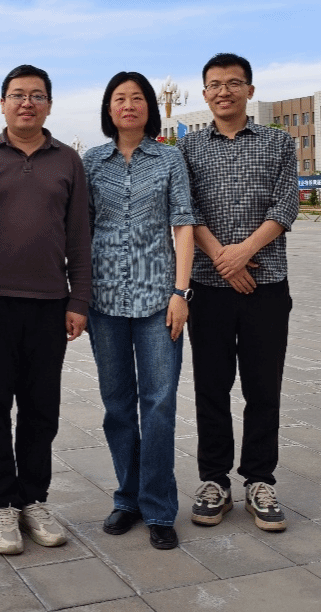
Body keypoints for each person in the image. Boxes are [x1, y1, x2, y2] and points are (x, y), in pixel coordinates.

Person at [0, 64, 92, 555]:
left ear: (49, 105)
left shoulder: (68, 161)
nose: (27, 103)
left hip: (49, 305)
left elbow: (79, 235)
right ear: (2, 103)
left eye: (37, 95)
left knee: (41, 410)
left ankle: (34, 499)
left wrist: (79, 299)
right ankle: (1, 504)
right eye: (17, 95)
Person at [180, 52, 299, 532]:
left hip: (266, 284)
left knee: (263, 387)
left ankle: (259, 480)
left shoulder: (278, 142)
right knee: (211, 387)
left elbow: (286, 205)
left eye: (233, 83)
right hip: (208, 288)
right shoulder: (188, 147)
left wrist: (244, 251)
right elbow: (185, 209)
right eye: (215, 84)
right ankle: (214, 480)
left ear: (250, 90)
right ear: (204, 93)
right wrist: (222, 260)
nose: (224, 91)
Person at [82, 71, 196, 550]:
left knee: (159, 404)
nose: (128, 105)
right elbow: (80, 229)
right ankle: (127, 498)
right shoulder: (91, 162)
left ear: (150, 106)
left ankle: (159, 508)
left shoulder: (169, 159)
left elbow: (183, 224)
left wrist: (181, 292)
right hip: (104, 301)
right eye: (119, 98)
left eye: (136, 98)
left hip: (158, 301)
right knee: (117, 405)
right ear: (108, 108)